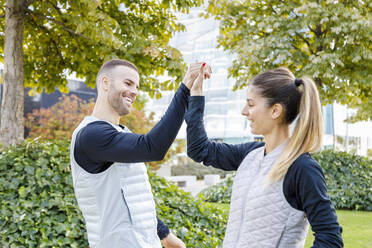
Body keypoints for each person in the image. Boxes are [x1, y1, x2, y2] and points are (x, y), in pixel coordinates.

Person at [185, 66, 343, 247]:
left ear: (275, 111)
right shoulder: (249, 154)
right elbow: (199, 149)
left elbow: (330, 238)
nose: (244, 111)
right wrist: (196, 93)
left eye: (251, 104)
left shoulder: (302, 168)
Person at [69, 59, 211, 248]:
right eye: (128, 83)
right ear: (105, 83)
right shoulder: (91, 135)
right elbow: (153, 147)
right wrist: (185, 88)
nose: (134, 91)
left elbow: (133, 196)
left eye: (136, 86)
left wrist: (164, 235)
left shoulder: (119, 132)